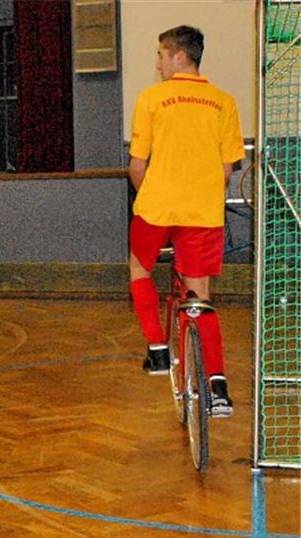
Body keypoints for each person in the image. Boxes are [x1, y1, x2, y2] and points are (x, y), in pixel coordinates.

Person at [127, 25, 244, 417]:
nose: (157, 64)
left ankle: (158, 351)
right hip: (203, 212)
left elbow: (137, 166)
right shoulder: (223, 102)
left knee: (140, 266)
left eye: (160, 55)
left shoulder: (152, 99)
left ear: (178, 56)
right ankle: (219, 389)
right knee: (200, 296)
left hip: (159, 206)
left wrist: (153, 194)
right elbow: (227, 170)